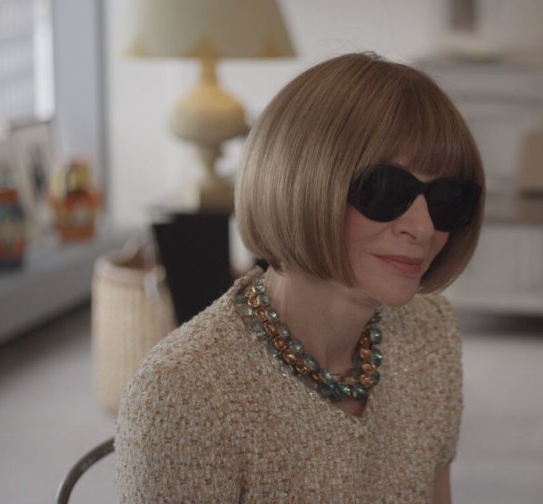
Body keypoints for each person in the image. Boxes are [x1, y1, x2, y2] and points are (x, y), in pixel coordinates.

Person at [115, 52, 484, 503]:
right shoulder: (185, 392)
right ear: (302, 183)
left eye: (447, 199)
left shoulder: (431, 332)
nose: (423, 228)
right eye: (387, 190)